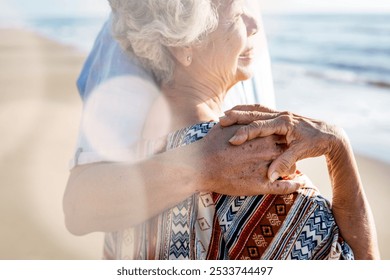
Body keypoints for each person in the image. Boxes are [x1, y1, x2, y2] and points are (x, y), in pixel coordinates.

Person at [64, 0, 379, 260]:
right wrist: (337, 147)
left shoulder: (132, 160)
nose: (255, 26)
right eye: (240, 15)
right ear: (183, 46)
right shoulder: (245, 164)